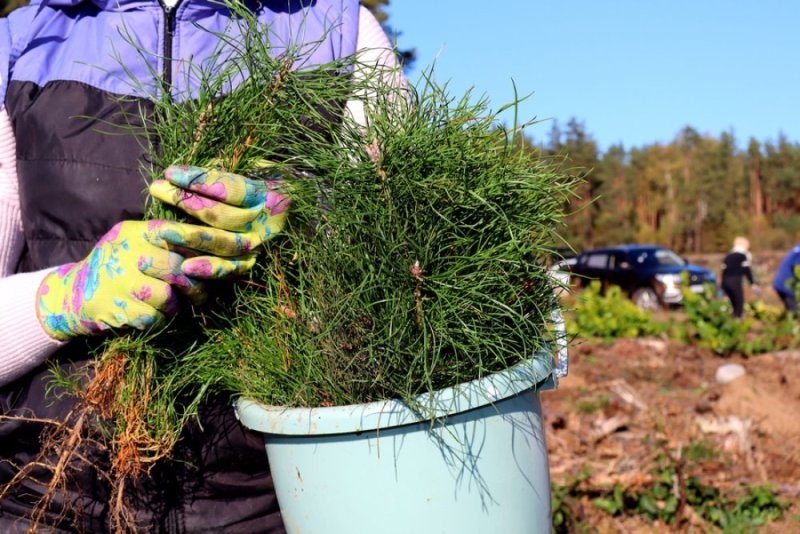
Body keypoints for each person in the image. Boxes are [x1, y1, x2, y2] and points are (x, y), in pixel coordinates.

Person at [0, 0, 398, 531]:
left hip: (273, 497)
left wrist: (308, 238)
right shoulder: (20, 46)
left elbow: (405, 285)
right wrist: (64, 297)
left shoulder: (339, 31)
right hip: (43, 496)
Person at [720, 236, 758, 318]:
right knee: (739, 302)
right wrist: (752, 283)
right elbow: (747, 270)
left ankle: (728, 318)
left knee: (731, 301)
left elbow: (724, 272)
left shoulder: (728, 256)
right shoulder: (742, 256)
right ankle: (737, 319)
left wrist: (722, 286)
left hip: (726, 282)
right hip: (735, 281)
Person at [773, 243, 800, 313]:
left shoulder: (797, 248)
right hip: (787, 286)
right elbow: (797, 267)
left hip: (781, 283)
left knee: (792, 311)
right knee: (794, 312)